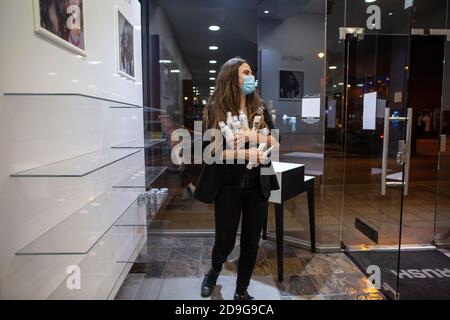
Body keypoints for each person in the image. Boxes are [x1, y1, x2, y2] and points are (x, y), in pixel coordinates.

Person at [193, 57, 280, 300]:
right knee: (225, 240)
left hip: (257, 185)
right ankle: (214, 270)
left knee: (252, 242)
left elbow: (275, 141)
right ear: (232, 77)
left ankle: (242, 291)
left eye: (251, 72)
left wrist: (253, 136)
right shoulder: (214, 110)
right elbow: (210, 153)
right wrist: (246, 152)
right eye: (245, 72)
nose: (251, 76)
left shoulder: (259, 108)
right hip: (228, 186)